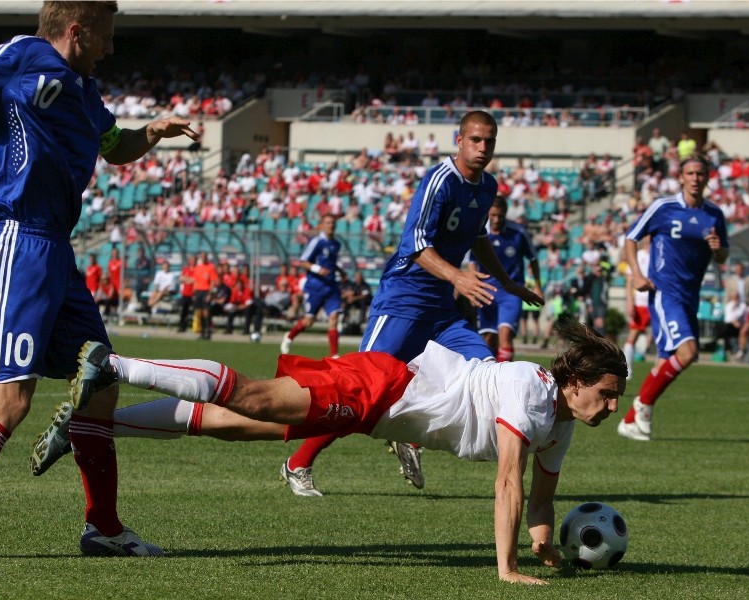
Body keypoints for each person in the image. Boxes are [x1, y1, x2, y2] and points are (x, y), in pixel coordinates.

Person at [0, 1, 200, 561]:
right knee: (12, 398)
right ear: (77, 30)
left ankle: (105, 529)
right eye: (107, 37)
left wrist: (153, 132)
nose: (111, 49)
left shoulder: (86, 92)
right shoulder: (22, 58)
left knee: (100, 384)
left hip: (56, 252)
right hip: (19, 242)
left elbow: (116, 149)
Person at [39, 317, 626, 585]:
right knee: (256, 398)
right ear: (576, 383)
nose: (609, 408)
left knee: (240, 423)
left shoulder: (562, 422)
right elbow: (508, 481)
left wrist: (544, 551)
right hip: (384, 387)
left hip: (379, 413)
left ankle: (95, 427)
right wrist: (506, 569)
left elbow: (543, 502)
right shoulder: (529, 388)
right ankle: (114, 364)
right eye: (606, 394)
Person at [282, 111, 544, 496]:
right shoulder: (440, 180)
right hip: (403, 300)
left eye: (489, 141)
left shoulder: (487, 186)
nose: (482, 147)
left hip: (441, 310)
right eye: (475, 140)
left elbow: (477, 237)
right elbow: (415, 244)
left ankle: (411, 436)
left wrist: (508, 283)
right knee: (356, 390)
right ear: (459, 140)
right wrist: (457, 276)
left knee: (487, 372)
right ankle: (298, 462)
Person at [618, 154, 729, 442]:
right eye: (690, 173)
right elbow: (631, 238)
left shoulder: (714, 214)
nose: (695, 178)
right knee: (689, 352)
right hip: (666, 293)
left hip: (691, 295)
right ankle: (641, 407)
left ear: (707, 178)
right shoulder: (663, 207)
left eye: (700, 174)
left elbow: (723, 255)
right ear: (681, 177)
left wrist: (718, 249)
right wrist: (638, 275)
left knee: (666, 361)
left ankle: (631, 420)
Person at [470, 196, 542, 362]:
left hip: (511, 291)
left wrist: (538, 286)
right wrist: (475, 286)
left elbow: (533, 258)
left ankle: (504, 378)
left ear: (506, 214)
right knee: (488, 338)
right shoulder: (479, 232)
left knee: (505, 333)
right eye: (493, 215)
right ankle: (489, 375)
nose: (496, 219)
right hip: (486, 290)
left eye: (500, 216)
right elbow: (471, 262)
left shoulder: (518, 233)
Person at [280, 213, 344, 358]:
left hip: (331, 286)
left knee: (334, 317)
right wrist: (317, 269)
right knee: (308, 321)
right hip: (315, 287)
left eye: (333, 223)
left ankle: (334, 355)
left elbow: (331, 263)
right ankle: (289, 336)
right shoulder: (317, 242)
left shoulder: (336, 244)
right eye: (328, 222)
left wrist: (342, 272)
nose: (331, 225)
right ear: (322, 225)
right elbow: (302, 261)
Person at [622, 238, 652, 379]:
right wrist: (630, 301)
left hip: (655, 302)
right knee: (633, 336)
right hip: (640, 302)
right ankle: (627, 368)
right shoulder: (638, 256)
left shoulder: (659, 255)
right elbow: (629, 281)